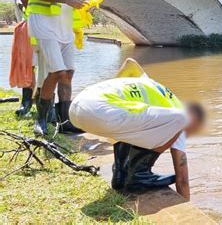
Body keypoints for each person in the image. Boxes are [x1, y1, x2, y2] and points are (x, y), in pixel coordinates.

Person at [69, 58, 206, 200]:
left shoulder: (154, 88)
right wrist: (185, 203)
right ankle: (139, 174)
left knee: (130, 126)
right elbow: (182, 178)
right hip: (101, 112)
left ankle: (120, 175)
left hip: (77, 107)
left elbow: (130, 62)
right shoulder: (179, 116)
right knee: (180, 119)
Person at [25, 0, 88, 136]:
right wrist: (66, 0)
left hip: (64, 26)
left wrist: (86, 5)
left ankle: (64, 121)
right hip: (43, 23)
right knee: (56, 72)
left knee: (68, 73)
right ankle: (41, 120)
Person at [11, 0, 35, 117]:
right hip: (28, 25)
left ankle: (44, 104)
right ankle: (26, 102)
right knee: (27, 64)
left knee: (47, 65)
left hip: (48, 25)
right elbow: (25, 1)